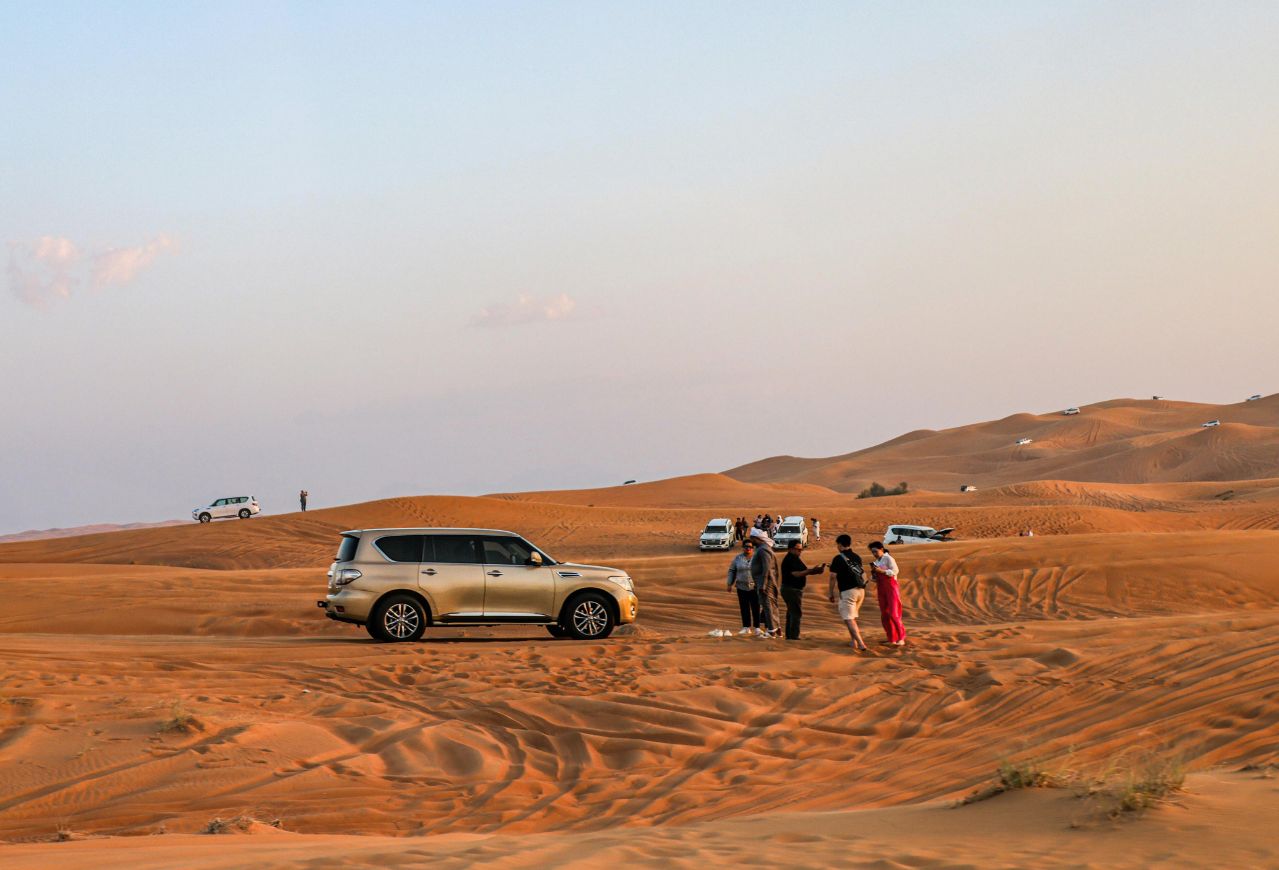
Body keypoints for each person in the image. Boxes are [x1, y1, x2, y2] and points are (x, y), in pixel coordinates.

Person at [828, 534, 868, 650]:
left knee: (849, 618)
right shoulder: (857, 557)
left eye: (837, 545)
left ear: (840, 544)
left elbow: (832, 577)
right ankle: (853, 642)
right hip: (861, 591)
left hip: (848, 592)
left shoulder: (838, 558)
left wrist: (830, 593)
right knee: (851, 618)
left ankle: (861, 644)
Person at [780, 539, 825, 640]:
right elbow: (796, 574)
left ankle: (790, 636)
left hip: (793, 589)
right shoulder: (789, 559)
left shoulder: (796, 558)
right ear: (791, 549)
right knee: (796, 613)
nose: (800, 551)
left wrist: (816, 571)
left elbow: (805, 571)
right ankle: (794, 637)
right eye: (798, 549)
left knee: (791, 612)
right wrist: (811, 571)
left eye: (801, 549)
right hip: (790, 589)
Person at [868, 541, 906, 646]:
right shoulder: (877, 561)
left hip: (891, 587)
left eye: (875, 551)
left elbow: (895, 571)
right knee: (884, 614)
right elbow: (876, 577)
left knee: (893, 613)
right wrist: (874, 576)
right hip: (881, 588)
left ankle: (901, 638)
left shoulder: (889, 558)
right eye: (872, 552)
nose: (874, 554)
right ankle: (891, 638)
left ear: (881, 549)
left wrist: (882, 571)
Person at [749, 528, 782, 637]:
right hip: (763, 582)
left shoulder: (763, 550)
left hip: (766, 583)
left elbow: (767, 568)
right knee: (770, 606)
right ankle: (777, 630)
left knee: (768, 606)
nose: (750, 540)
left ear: (757, 538)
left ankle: (771, 631)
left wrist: (763, 584)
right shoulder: (761, 549)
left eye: (752, 538)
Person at [726, 539, 762, 636]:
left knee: (756, 607)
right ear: (743, 548)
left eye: (750, 547)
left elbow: (762, 571)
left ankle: (757, 627)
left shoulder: (757, 558)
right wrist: (729, 583)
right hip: (741, 587)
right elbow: (732, 570)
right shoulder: (737, 558)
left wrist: (762, 584)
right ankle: (746, 627)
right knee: (744, 607)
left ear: (753, 548)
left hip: (754, 587)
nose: (748, 548)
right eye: (746, 547)